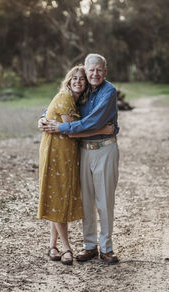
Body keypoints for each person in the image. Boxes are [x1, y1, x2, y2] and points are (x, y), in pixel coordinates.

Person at [39, 54, 119, 264]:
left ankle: (106, 248)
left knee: (104, 201)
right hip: (83, 151)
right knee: (86, 202)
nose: (94, 74)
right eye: (91, 70)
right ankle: (89, 246)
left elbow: (93, 121)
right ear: (85, 70)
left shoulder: (108, 91)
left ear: (105, 71)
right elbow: (59, 103)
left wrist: (62, 128)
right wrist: (43, 117)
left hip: (104, 149)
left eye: (99, 70)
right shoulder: (81, 93)